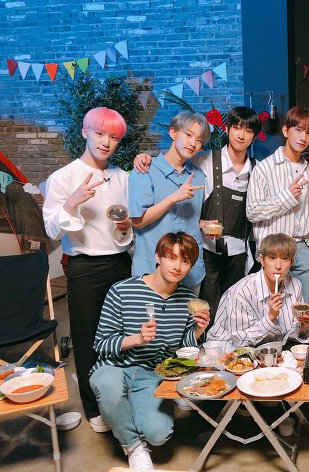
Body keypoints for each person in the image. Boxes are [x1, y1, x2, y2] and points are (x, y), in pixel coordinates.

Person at [42, 107, 132, 433]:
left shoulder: (122, 177)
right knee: (87, 339)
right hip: (84, 268)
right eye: (99, 133)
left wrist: (125, 228)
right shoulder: (63, 177)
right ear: (84, 132)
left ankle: (122, 397)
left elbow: (125, 230)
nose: (106, 142)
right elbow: (52, 231)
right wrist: (72, 202)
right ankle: (94, 407)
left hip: (120, 264)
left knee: (122, 335)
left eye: (114, 137)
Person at [89, 232, 210, 472]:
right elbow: (101, 344)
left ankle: (117, 413)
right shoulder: (121, 290)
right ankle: (134, 447)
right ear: (157, 257)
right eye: (171, 257)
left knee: (158, 435)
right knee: (108, 386)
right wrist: (136, 339)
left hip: (153, 373)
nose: (177, 266)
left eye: (185, 261)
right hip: (115, 366)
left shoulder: (188, 300)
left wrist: (197, 331)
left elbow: (181, 352)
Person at [134, 107, 261, 319]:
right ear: (227, 129)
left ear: (254, 137)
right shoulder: (203, 161)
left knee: (233, 311)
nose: (241, 135)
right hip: (204, 251)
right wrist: (144, 158)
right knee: (202, 311)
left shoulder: (258, 168)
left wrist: (307, 159)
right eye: (237, 128)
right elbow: (173, 159)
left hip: (237, 252)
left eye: (248, 131)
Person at [246, 106, 309, 303]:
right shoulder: (264, 169)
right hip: (274, 250)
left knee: (303, 308)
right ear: (285, 131)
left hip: (302, 249)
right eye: (298, 130)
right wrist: (287, 197)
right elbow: (252, 212)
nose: (303, 137)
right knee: (272, 306)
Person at [129, 111, 208, 291]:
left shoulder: (198, 176)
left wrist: (202, 224)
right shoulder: (145, 170)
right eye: (188, 135)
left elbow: (188, 220)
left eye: (199, 140)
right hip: (152, 271)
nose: (193, 143)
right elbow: (137, 221)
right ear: (172, 132)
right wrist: (173, 198)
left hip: (191, 272)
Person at [207, 233, 309, 352]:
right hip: (227, 350)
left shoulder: (295, 285)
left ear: (292, 262)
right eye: (272, 258)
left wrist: (305, 327)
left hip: (271, 349)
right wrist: (270, 317)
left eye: (284, 259)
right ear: (262, 260)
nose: (278, 266)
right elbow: (240, 342)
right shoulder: (242, 292)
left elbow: (288, 334)